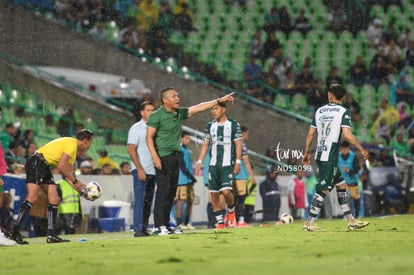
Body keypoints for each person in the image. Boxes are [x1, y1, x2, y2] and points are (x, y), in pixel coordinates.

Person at [146, 88, 236, 235]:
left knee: (171, 193)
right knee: (162, 191)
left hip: (176, 155)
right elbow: (148, 137)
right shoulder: (156, 116)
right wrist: (154, 156)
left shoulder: (179, 113)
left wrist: (219, 100)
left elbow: (199, 107)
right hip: (163, 156)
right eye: (174, 96)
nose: (177, 98)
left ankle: (166, 225)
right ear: (165, 100)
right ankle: (158, 226)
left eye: (177, 95)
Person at [302, 84, 370, 232]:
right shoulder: (343, 111)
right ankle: (309, 222)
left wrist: (307, 152)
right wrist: (361, 148)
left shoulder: (319, 111)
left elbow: (310, 135)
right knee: (324, 188)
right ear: (343, 97)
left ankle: (351, 220)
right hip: (330, 155)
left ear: (329, 96)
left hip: (320, 153)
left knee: (341, 185)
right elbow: (347, 134)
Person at [8, 129, 94, 244]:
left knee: (54, 199)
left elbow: (70, 177)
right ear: (86, 141)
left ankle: (51, 235)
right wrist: (76, 181)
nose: (90, 147)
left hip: (42, 164)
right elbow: (62, 167)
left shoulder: (72, 150)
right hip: (37, 162)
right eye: (90, 143)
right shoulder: (72, 145)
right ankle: (15, 232)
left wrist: (83, 191)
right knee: (32, 197)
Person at [196, 102, 242, 229]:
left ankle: (231, 211)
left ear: (223, 109)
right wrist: (199, 161)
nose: (213, 111)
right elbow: (205, 144)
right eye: (212, 109)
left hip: (227, 165)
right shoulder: (210, 126)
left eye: (216, 108)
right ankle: (220, 222)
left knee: (226, 192)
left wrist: (238, 162)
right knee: (214, 196)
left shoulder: (233, 124)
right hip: (213, 165)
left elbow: (238, 144)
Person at [127, 100, 156, 237]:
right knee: (140, 200)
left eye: (152, 110)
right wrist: (139, 169)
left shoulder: (155, 128)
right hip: (141, 169)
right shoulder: (136, 128)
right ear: (142, 112)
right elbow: (131, 149)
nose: (151, 112)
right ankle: (138, 229)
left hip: (153, 171)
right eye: (148, 110)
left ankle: (144, 227)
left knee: (148, 201)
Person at [233, 126, 257, 227]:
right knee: (241, 199)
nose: (247, 135)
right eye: (247, 133)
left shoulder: (232, 143)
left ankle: (232, 220)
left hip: (232, 175)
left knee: (234, 199)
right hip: (241, 175)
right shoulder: (242, 144)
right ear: (243, 133)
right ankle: (241, 220)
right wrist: (252, 177)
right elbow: (246, 162)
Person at [175, 131, 196, 230]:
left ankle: (187, 222)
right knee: (181, 201)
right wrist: (190, 176)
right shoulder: (179, 150)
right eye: (186, 138)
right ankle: (179, 223)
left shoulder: (187, 151)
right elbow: (181, 166)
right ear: (181, 139)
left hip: (189, 180)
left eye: (189, 139)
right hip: (182, 180)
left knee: (190, 201)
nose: (188, 140)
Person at [338, 141, 362, 218]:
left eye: (345, 149)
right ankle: (346, 216)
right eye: (342, 149)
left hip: (352, 182)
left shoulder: (353, 156)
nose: (344, 151)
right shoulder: (338, 156)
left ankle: (357, 215)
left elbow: (357, 169)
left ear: (348, 149)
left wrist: (349, 170)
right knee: (344, 200)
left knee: (356, 200)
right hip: (343, 182)